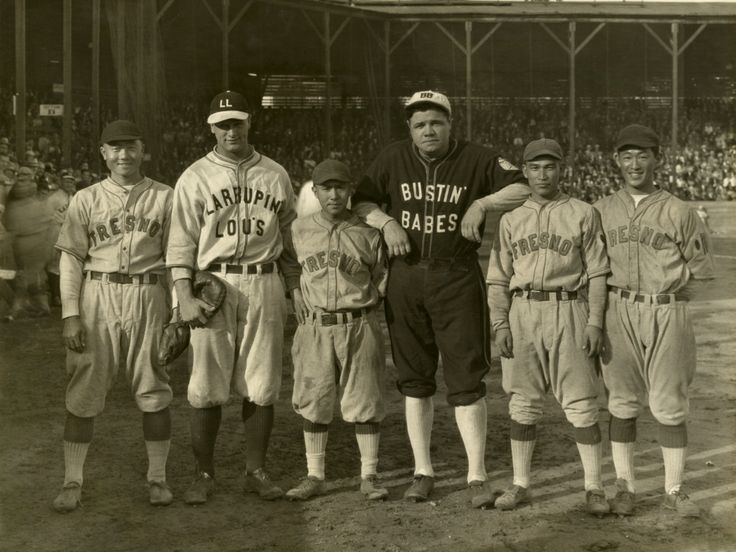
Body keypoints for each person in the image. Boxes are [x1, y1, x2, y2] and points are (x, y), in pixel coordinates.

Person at [352, 90, 529, 508]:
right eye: (419, 124)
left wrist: (481, 203)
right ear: (409, 130)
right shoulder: (393, 157)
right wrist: (386, 220)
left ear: (450, 124)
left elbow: (520, 187)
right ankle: (423, 471)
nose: (427, 130)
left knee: (467, 377)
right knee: (415, 379)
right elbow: (361, 199)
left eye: (435, 122)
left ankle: (476, 475)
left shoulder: (477, 157)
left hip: (456, 276)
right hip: (406, 276)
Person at [167, 90, 297, 505]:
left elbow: (292, 236)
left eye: (237, 122)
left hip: (264, 281)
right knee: (205, 385)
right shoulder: (194, 176)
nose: (231, 130)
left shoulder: (275, 173)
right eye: (223, 124)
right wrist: (182, 295)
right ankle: (203, 474)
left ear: (249, 123)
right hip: (212, 284)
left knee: (262, 383)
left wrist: (294, 288)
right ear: (211, 128)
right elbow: (180, 243)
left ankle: (255, 471)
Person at [52, 120, 174, 512]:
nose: (124, 155)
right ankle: (73, 480)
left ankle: (157, 478)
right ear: (103, 153)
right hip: (97, 295)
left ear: (143, 150)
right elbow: (70, 259)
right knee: (84, 388)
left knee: (154, 387)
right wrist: (70, 314)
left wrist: (176, 314)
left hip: (148, 293)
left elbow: (176, 260)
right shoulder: (85, 199)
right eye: (115, 148)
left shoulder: (166, 197)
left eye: (131, 146)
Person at [594, 124, 715, 518]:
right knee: (622, 402)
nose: (634, 163)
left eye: (642, 155)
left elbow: (700, 272)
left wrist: (672, 305)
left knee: (669, 403)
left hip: (667, 309)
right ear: (616, 160)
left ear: (656, 159)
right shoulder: (600, 209)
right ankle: (625, 486)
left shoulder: (678, 210)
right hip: (617, 309)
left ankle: (674, 490)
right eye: (627, 156)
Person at [487, 138, 610, 515]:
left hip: (568, 308)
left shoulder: (583, 212)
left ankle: (594, 487)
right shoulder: (510, 218)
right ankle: (520, 483)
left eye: (550, 166)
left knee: (582, 403)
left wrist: (594, 322)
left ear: (561, 169)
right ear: (524, 171)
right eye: (535, 167)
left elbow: (599, 273)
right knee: (522, 403)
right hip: (523, 312)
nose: (543, 174)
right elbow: (497, 277)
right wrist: (499, 324)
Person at [282, 159, 389, 501]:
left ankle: (369, 475)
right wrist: (295, 292)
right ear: (314, 191)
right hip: (314, 327)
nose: (333, 194)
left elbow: (383, 274)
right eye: (326, 188)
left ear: (350, 190)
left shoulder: (369, 231)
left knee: (365, 401)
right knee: (314, 400)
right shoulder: (299, 229)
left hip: (359, 323)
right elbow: (287, 263)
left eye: (340, 187)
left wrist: (371, 303)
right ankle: (315, 475)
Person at [3, 164, 52, 318]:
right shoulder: (18, 195)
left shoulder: (26, 193)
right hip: (25, 241)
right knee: (30, 275)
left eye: (25, 174)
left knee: (31, 275)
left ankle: (24, 305)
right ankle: (28, 305)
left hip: (31, 240)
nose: (22, 177)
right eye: (21, 174)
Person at [46, 170, 77, 306]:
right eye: (66, 180)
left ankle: (65, 295)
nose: (69, 183)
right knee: (54, 264)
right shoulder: (53, 198)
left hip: (70, 232)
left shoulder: (74, 197)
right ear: (60, 182)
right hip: (56, 231)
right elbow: (47, 216)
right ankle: (55, 296)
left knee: (68, 264)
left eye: (71, 181)